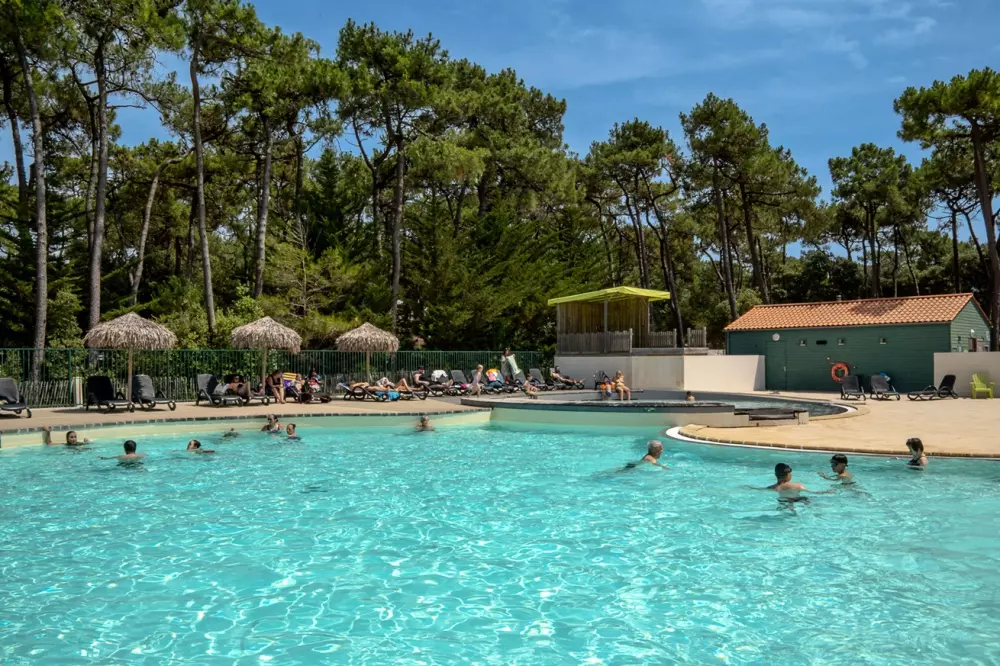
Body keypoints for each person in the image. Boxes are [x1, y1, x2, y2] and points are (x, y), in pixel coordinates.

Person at [751, 463, 831, 504]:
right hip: (797, 500)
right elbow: (812, 493)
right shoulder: (797, 485)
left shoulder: (772, 488)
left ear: (776, 475)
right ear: (789, 475)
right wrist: (826, 492)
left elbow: (760, 489)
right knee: (806, 499)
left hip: (782, 501)